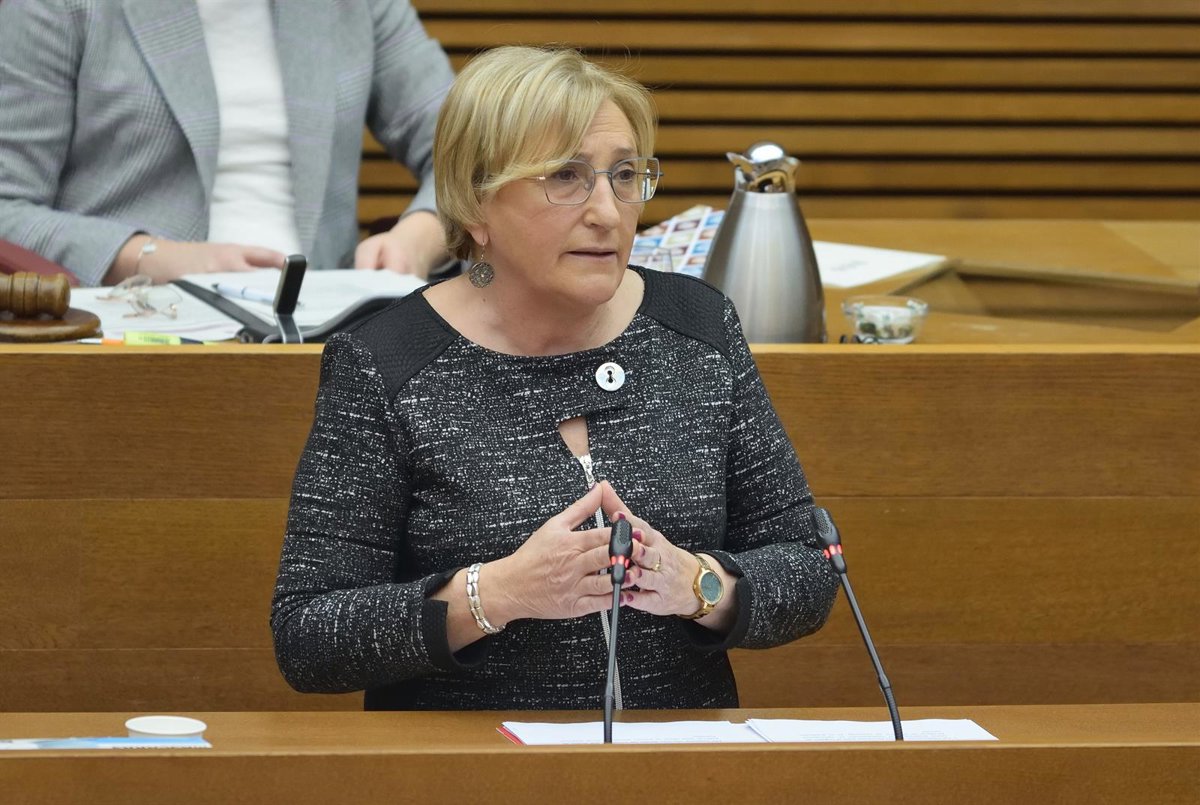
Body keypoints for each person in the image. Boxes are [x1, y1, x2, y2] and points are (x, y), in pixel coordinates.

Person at [271, 45, 838, 711]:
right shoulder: (386, 362)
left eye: (624, 175)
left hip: (676, 756)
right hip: (469, 760)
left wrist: (697, 585)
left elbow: (809, 566)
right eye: (566, 177)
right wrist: (496, 593)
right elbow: (308, 636)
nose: (607, 211)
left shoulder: (697, 330)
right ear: (476, 203)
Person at [0, 0, 452, 287]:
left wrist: (421, 235)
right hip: (128, 331)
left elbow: (478, 150)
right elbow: (7, 206)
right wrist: (148, 259)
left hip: (322, 332)